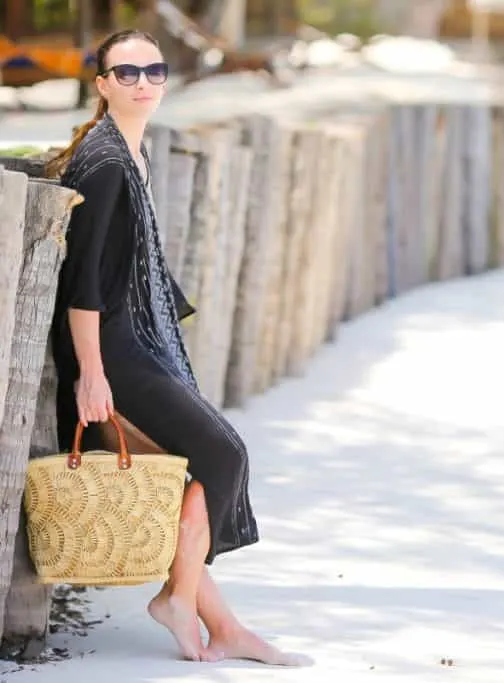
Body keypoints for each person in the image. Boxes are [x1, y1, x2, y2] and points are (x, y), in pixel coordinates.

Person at [46, 29, 309, 667]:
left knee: (191, 470)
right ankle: (177, 598)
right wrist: (91, 375)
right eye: (127, 73)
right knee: (221, 454)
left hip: (128, 340)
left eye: (154, 72)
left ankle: (224, 626)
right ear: (102, 83)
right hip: (112, 348)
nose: (143, 83)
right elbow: (84, 284)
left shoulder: (127, 152)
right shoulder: (108, 164)